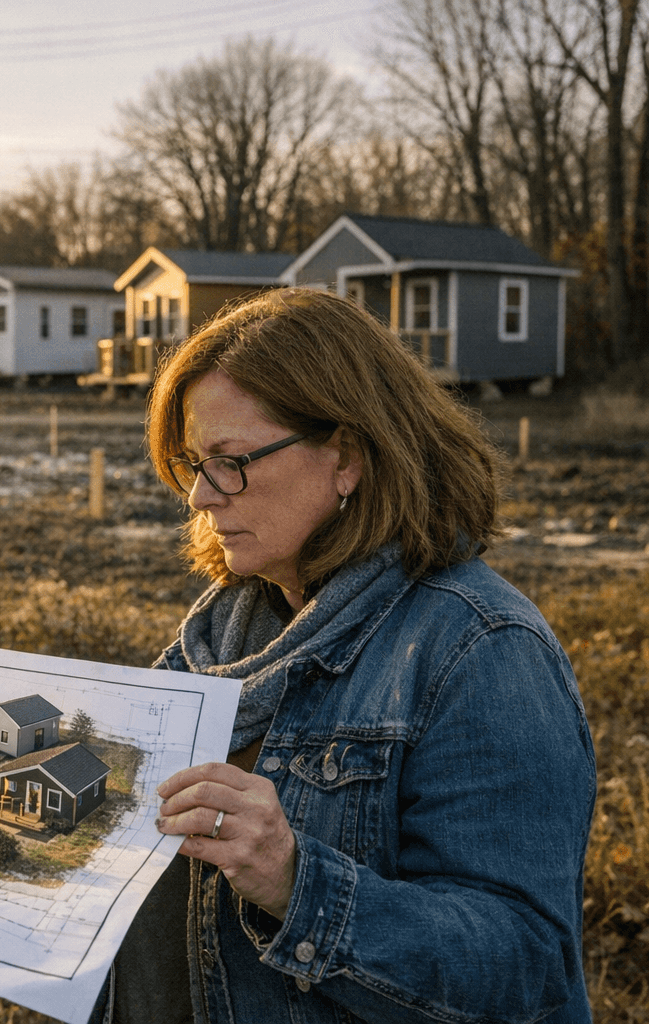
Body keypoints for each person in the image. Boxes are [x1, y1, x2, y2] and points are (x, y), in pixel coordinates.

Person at [98, 289, 594, 1024]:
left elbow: (524, 966)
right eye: (192, 464)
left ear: (348, 458)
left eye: (231, 462)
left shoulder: (479, 652)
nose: (201, 494)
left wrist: (296, 881)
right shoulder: (215, 645)